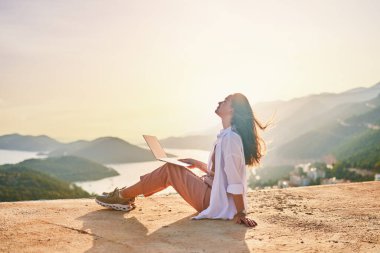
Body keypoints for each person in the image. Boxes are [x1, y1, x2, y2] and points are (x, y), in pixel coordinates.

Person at [95, 93, 268, 228]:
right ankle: (125, 195)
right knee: (170, 169)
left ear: (233, 110)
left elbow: (234, 179)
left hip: (212, 199)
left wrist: (241, 213)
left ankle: (122, 196)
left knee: (171, 169)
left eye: (225, 100)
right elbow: (220, 173)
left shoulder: (230, 138)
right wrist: (197, 163)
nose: (219, 102)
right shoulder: (225, 136)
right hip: (211, 190)